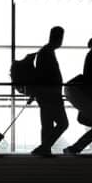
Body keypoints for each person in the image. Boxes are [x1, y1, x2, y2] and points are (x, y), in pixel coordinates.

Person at [31, 26, 69, 157]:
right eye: (61, 38)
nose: (62, 41)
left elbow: (40, 75)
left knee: (47, 124)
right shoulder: (47, 53)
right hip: (51, 94)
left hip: (45, 94)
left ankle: (44, 149)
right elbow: (44, 75)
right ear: (57, 37)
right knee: (63, 123)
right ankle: (44, 147)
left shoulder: (45, 51)